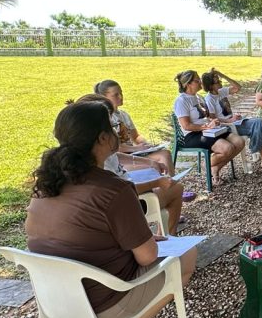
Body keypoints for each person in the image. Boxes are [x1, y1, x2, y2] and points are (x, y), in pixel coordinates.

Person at [25, 101, 197, 318]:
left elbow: (84, 235)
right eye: (112, 126)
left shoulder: (46, 185)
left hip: (56, 301)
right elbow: (147, 257)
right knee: (186, 256)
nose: (117, 131)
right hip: (103, 302)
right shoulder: (114, 189)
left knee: (127, 263)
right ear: (103, 138)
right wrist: (146, 240)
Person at [76, 93, 184, 235]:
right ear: (100, 134)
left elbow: (116, 157)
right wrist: (157, 182)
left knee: (161, 167)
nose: (115, 131)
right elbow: (122, 191)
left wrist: (149, 162)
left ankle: (164, 233)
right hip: (129, 204)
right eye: (111, 125)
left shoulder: (92, 149)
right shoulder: (98, 164)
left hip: (126, 192)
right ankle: (170, 237)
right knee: (176, 188)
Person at [93, 79, 175, 176]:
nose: (121, 97)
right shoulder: (105, 118)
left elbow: (135, 137)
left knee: (165, 154)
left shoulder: (123, 115)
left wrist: (145, 144)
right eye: (116, 95)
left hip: (133, 154)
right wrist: (135, 148)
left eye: (121, 93)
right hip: (121, 160)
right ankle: (163, 183)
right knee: (153, 167)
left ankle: (170, 181)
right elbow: (112, 148)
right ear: (104, 97)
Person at [201, 69, 262, 171]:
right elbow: (213, 119)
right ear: (211, 86)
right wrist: (230, 120)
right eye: (217, 81)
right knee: (258, 123)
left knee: (258, 125)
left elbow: (238, 87)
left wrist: (222, 75)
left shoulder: (221, 92)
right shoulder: (209, 99)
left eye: (219, 80)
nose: (220, 82)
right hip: (227, 127)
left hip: (235, 122)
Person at [173, 70, 245, 179]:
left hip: (210, 131)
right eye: (197, 80)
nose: (200, 82)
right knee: (227, 148)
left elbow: (206, 117)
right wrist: (207, 126)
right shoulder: (181, 101)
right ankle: (204, 165)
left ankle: (215, 168)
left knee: (240, 142)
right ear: (188, 84)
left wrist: (213, 122)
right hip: (193, 135)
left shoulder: (198, 97)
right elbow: (186, 126)